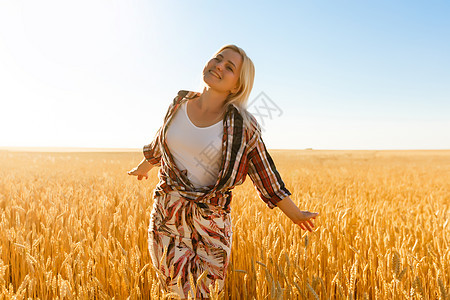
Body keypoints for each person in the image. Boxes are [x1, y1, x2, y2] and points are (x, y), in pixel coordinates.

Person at [128, 45, 318, 299]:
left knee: (207, 294)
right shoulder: (178, 104)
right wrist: (146, 164)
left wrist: (295, 213)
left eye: (229, 67)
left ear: (237, 86)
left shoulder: (243, 125)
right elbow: (161, 141)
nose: (218, 65)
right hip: (168, 214)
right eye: (218, 59)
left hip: (212, 222)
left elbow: (264, 174)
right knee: (174, 292)